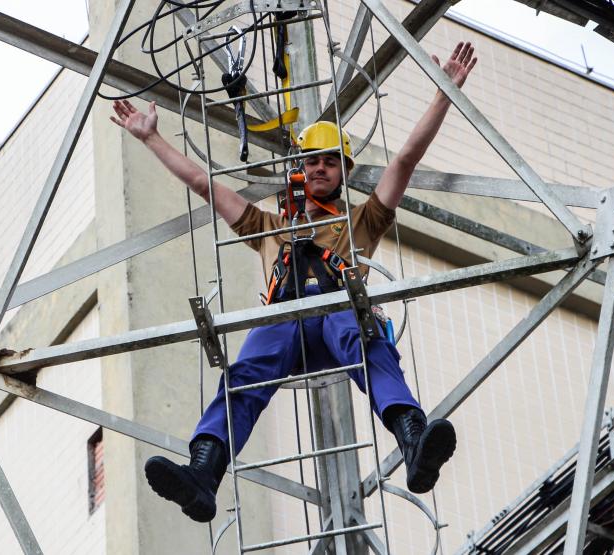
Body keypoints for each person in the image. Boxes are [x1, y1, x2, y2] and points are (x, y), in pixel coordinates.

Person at [110, 42, 477, 523]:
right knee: (243, 375)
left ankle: (413, 438)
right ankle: (204, 474)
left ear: (344, 171)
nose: (319, 168)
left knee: (360, 333)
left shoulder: (360, 220)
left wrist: (443, 94)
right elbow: (203, 184)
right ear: (298, 171)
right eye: (311, 161)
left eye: (329, 161)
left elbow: (404, 161)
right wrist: (150, 139)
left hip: (336, 321)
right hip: (284, 326)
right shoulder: (267, 227)